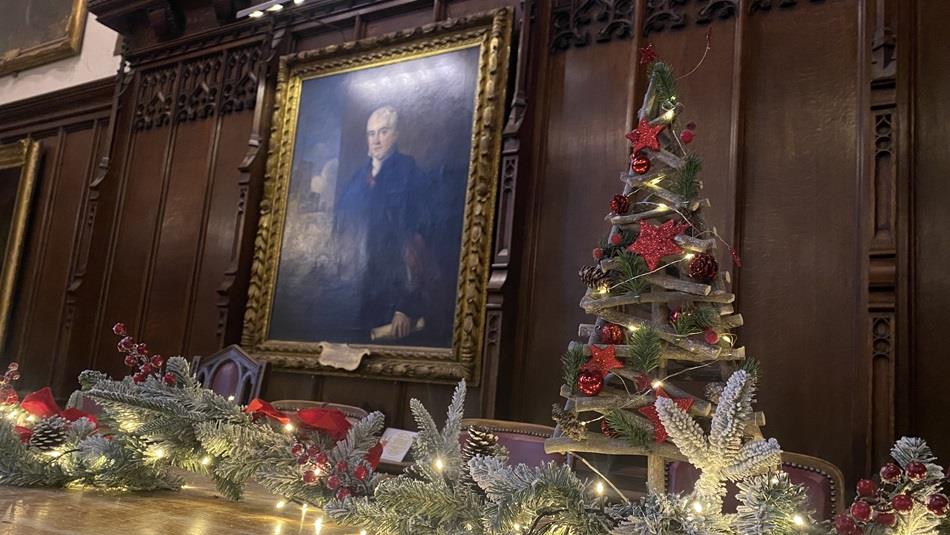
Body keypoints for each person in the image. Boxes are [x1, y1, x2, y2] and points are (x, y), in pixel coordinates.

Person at [329, 105, 449, 345]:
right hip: (358, 292)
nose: (376, 140)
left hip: (395, 296)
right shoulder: (357, 180)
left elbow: (420, 243)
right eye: (371, 133)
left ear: (396, 135)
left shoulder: (410, 174)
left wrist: (406, 307)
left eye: (383, 132)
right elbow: (342, 233)